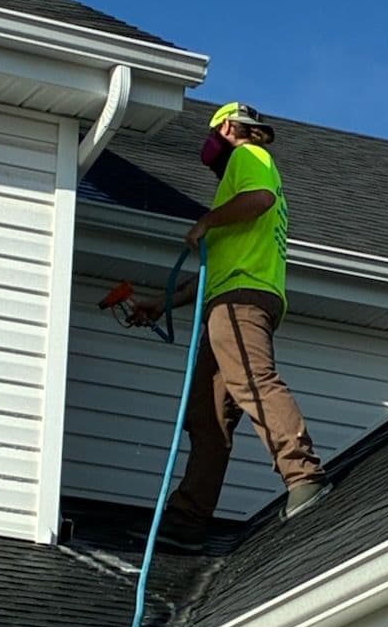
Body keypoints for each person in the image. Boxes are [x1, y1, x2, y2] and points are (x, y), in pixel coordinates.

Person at [134, 102, 330, 545]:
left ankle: (304, 474)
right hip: (229, 298)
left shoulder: (248, 158)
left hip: (241, 300)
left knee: (253, 380)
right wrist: (163, 304)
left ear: (226, 127)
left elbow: (259, 200)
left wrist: (206, 219)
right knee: (207, 415)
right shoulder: (236, 194)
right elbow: (213, 271)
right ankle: (187, 521)